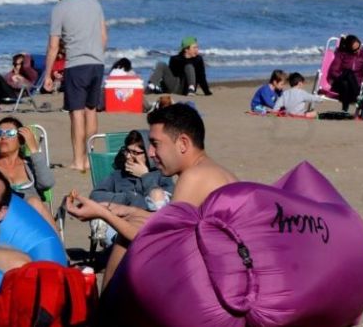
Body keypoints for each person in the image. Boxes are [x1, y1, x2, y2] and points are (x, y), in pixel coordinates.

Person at [65, 104, 238, 290]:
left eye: (155, 144)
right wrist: (127, 210)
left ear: (183, 143)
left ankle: (104, 314)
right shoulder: (211, 170)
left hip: (215, 286)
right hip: (221, 270)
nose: (151, 153)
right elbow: (172, 224)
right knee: (134, 219)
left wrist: (103, 214)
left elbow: (161, 239)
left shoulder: (193, 178)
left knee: (127, 238)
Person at [43, 0, 107, 172]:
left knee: (76, 113)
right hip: (97, 62)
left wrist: (47, 74)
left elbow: (54, 45)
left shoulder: (59, 8)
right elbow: (104, 36)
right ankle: (90, 158)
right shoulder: (94, 3)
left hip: (76, 64)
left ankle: (78, 160)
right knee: (91, 110)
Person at [0, 117, 56, 230]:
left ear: (21, 140)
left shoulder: (30, 164)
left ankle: (57, 245)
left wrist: (34, 149)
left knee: (34, 202)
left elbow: (47, 183)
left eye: (10, 133)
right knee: (34, 202)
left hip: (32, 219)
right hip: (2, 219)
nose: (3, 137)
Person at [89, 129, 174, 211]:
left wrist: (145, 176)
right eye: (127, 151)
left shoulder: (162, 175)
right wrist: (127, 198)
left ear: (148, 153)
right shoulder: (119, 174)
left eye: (135, 152)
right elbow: (95, 195)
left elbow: (160, 205)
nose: (128, 156)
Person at [147, 36, 212, 96]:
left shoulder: (198, 59)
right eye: (194, 47)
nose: (197, 49)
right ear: (186, 49)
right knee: (161, 64)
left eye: (197, 47)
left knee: (189, 66)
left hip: (185, 89)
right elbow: (171, 75)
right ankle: (152, 85)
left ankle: (191, 89)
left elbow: (202, 77)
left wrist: (207, 92)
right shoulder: (175, 59)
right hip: (173, 86)